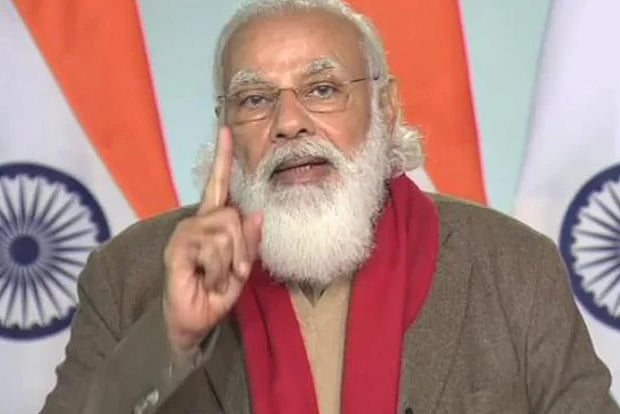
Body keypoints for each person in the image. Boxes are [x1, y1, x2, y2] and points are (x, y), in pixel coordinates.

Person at [40, 0, 619, 413]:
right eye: (255, 99)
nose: (289, 123)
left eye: (323, 89)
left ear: (386, 107)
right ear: (225, 126)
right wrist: (170, 336)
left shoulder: (514, 266)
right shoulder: (130, 274)